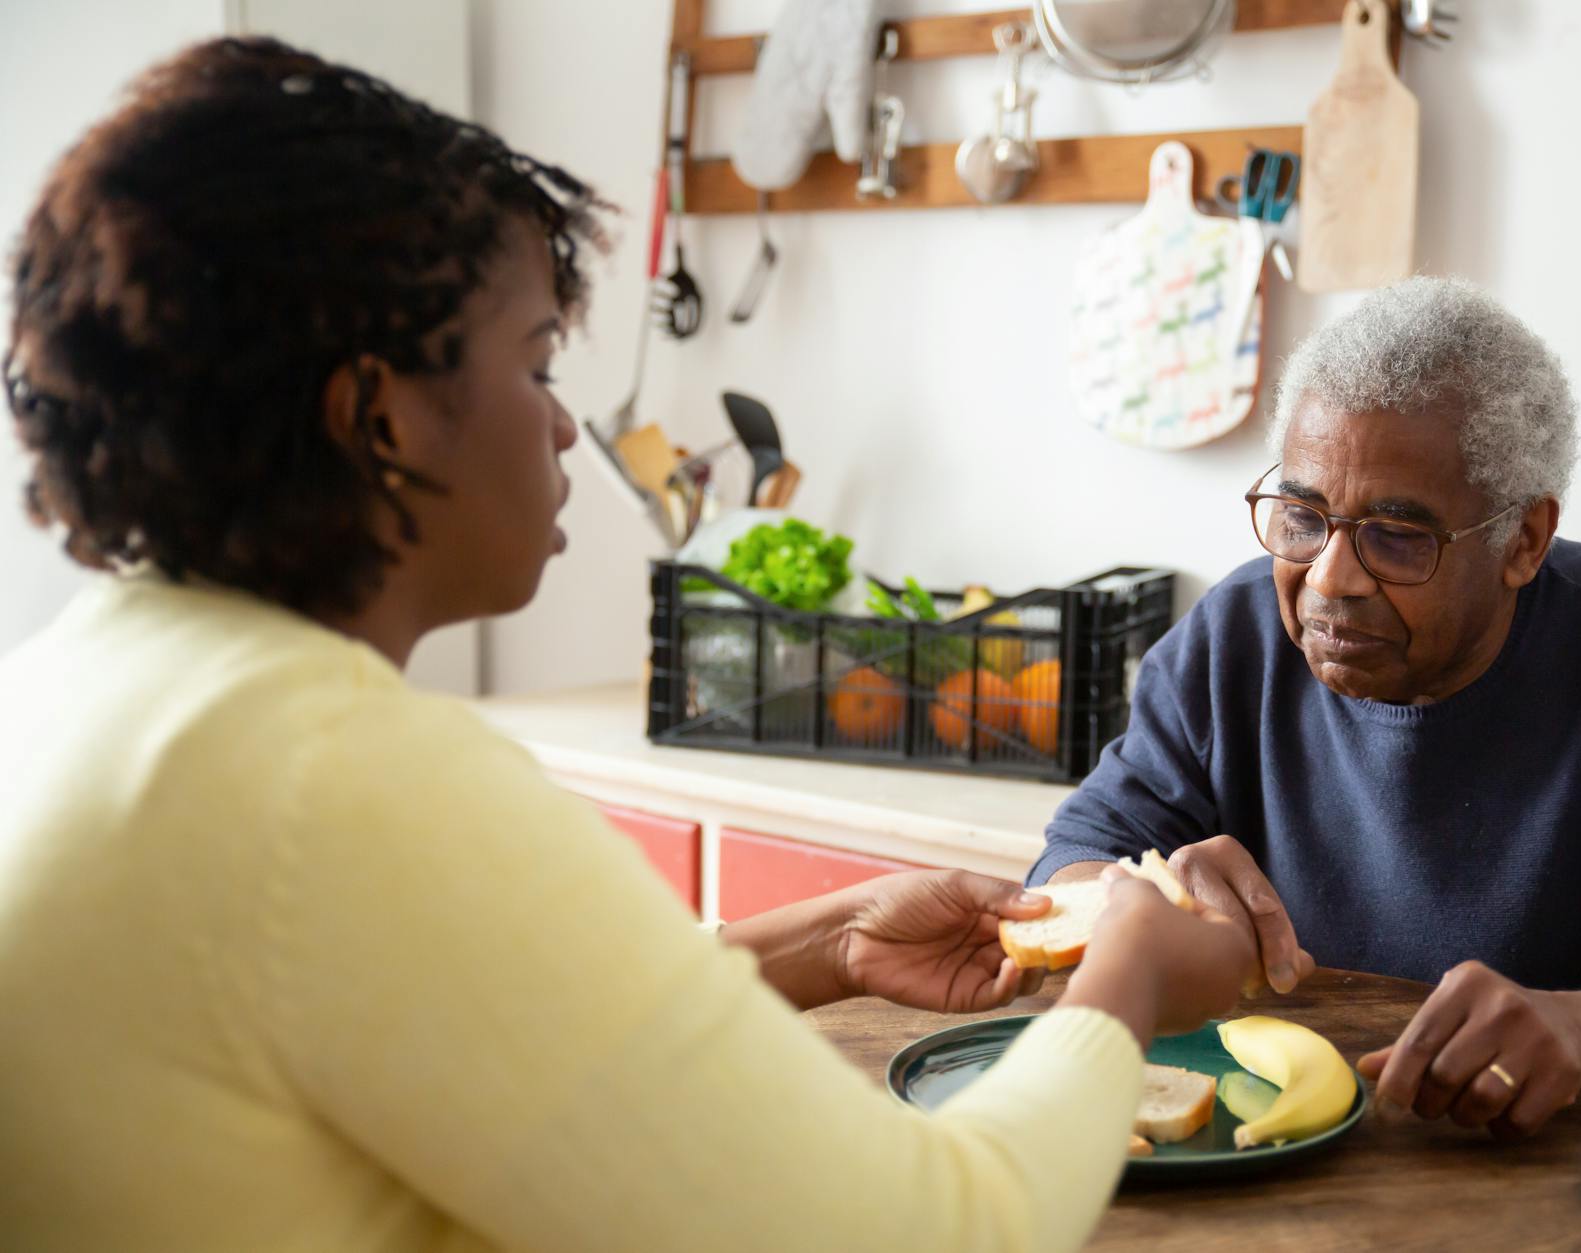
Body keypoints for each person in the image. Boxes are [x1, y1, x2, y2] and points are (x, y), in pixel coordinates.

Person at [0, 39, 1257, 1250]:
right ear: (377, 415)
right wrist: (1125, 980)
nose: (561, 429)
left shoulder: (77, 686)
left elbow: (474, 1029)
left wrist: (824, 942)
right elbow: (934, 1227)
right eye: (538, 362)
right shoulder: (335, 778)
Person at [1034, 277, 1581, 1140]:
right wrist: (1128, 899)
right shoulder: (1234, 639)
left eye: (1397, 538)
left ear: (1525, 540)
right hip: (1274, 1160)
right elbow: (1070, 859)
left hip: (1570, 1182)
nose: (1330, 578)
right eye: (1302, 515)